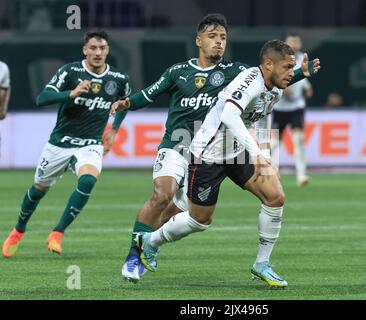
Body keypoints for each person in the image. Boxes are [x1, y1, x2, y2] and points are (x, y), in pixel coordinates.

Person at [129, 40, 320, 288]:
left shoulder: (275, 86)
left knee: (276, 197)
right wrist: (258, 154)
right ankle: (149, 242)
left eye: (292, 68)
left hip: (237, 152)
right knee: (200, 221)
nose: (290, 74)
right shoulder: (249, 81)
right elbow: (229, 115)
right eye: (287, 67)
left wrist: (266, 157)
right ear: (268, 64)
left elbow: (260, 119)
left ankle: (262, 264)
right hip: (207, 156)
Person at [108, 13, 249, 282]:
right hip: (176, 144)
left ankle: (150, 245)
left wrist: (298, 72)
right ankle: (132, 257)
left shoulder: (235, 73)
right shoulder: (177, 72)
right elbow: (147, 94)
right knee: (162, 195)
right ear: (198, 41)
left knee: (176, 213)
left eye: (222, 38)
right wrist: (127, 103)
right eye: (212, 37)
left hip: (207, 155)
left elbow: (268, 77)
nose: (218, 42)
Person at [2, 29, 131, 258]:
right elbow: (42, 98)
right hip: (59, 143)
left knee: (89, 179)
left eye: (102, 48)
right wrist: (69, 93)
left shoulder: (119, 80)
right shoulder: (70, 71)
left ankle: (58, 233)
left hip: (90, 144)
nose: (98, 52)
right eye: (93, 48)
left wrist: (113, 129)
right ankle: (18, 230)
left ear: (108, 50)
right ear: (85, 50)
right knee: (38, 189)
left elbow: (124, 104)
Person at [271, 34, 313, 187]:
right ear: (285, 43)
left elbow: (302, 76)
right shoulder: (278, 59)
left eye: (297, 41)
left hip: (296, 107)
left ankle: (301, 175)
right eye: (291, 41)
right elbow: (272, 78)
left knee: (299, 140)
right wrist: (282, 87)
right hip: (279, 107)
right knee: (274, 143)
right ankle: (268, 169)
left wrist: (307, 86)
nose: (294, 44)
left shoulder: (302, 58)